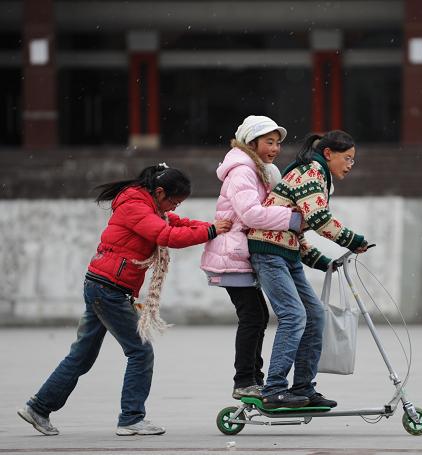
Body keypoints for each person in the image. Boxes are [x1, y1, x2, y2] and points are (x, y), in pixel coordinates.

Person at [17, 164, 232, 436]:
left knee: (81, 356)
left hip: (103, 286)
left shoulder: (150, 206)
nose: (173, 209)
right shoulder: (135, 206)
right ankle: (131, 418)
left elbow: (177, 224)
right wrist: (212, 232)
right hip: (109, 289)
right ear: (160, 191)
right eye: (173, 202)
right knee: (140, 352)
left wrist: (213, 227)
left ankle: (38, 407)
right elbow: (166, 235)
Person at [247, 130, 369, 409]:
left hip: (284, 252)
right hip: (267, 252)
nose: (350, 165)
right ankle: (274, 389)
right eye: (347, 158)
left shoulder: (318, 175)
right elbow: (318, 219)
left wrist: (324, 262)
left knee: (314, 315)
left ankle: (303, 387)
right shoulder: (311, 172)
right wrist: (354, 240)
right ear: (328, 154)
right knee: (294, 316)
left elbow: (296, 234)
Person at [200, 115, 302, 400]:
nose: (276, 148)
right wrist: (292, 220)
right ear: (251, 142)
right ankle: (245, 379)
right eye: (269, 142)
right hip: (232, 254)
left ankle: (251, 378)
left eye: (278, 143)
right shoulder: (242, 171)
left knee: (256, 316)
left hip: (240, 252)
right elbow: (251, 214)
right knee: (253, 317)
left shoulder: (258, 170)